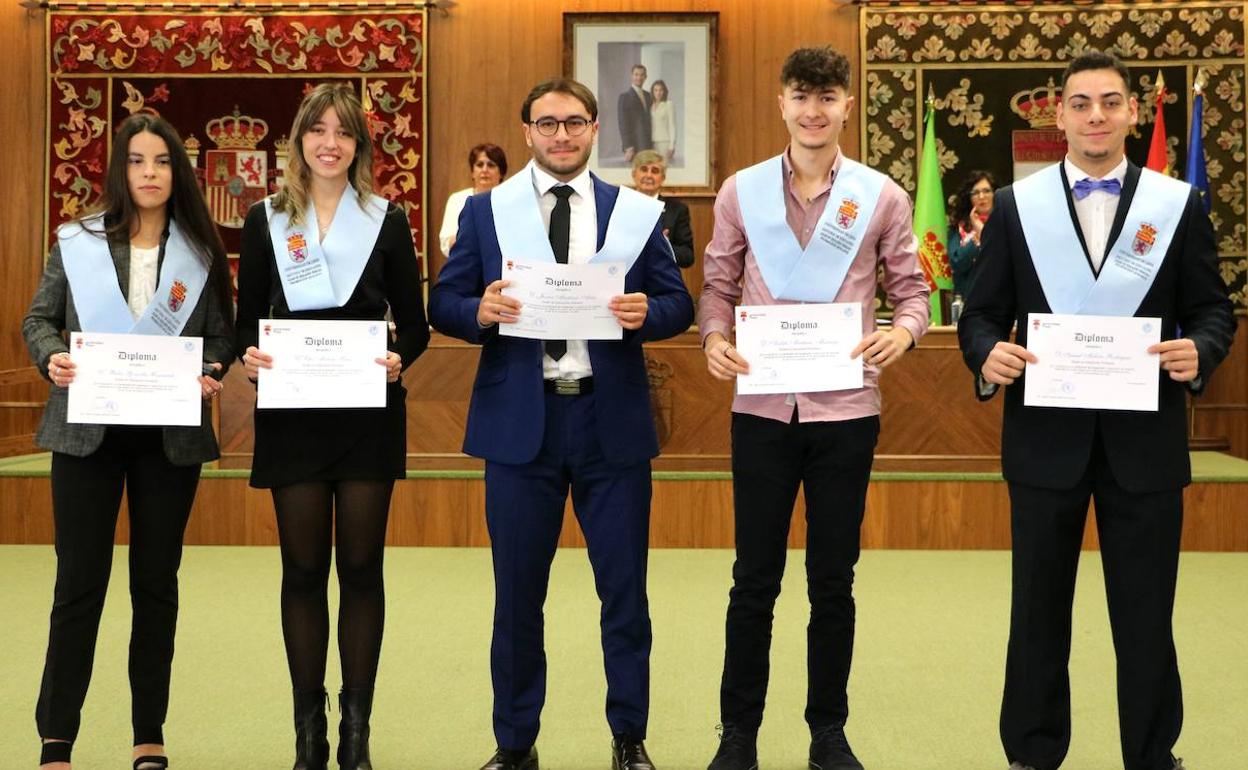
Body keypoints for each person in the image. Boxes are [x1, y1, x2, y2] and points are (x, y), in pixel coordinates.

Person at [957, 50, 1235, 770]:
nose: (1096, 116)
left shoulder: (1178, 205)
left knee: (1145, 615)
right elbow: (980, 314)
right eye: (1081, 103)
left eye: (1111, 102)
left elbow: (1211, 309)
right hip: (1045, 441)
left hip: (1145, 443)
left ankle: (1151, 754)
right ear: (1060, 116)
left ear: (1133, 114)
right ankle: (1032, 753)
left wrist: (1199, 351)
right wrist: (987, 354)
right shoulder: (1019, 207)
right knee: (1038, 613)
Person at [429, 76, 694, 770]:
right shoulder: (490, 212)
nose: (561, 135)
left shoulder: (633, 212)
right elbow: (444, 301)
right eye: (546, 124)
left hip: (611, 426)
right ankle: (514, 745)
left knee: (624, 597)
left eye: (574, 122)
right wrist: (478, 312)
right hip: (522, 426)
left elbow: (678, 304)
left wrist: (647, 314)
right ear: (527, 132)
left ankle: (629, 738)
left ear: (595, 128)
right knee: (518, 597)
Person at [698, 46, 930, 770]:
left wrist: (904, 331)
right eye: (801, 95)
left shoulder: (880, 195)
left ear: (847, 106)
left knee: (834, 580)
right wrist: (712, 337)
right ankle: (738, 736)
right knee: (753, 581)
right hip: (763, 410)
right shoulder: (741, 191)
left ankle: (827, 732)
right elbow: (717, 285)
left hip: (846, 413)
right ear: (781, 103)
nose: (814, 110)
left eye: (828, 96)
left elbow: (912, 290)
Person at [23, 113, 234, 770]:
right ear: (120, 169)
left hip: (167, 439)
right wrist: (53, 356)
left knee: (155, 585)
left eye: (162, 161)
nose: (149, 172)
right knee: (78, 586)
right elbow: (39, 320)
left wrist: (212, 371)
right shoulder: (80, 242)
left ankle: (149, 734)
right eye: (137, 160)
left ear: (179, 170)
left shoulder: (199, 252)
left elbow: (222, 337)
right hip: (86, 432)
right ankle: (57, 738)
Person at [236, 83, 429, 770]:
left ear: (359, 146)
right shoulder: (266, 219)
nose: (330, 142)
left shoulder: (385, 219)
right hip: (292, 413)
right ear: (299, 141)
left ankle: (355, 732)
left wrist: (398, 358)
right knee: (303, 569)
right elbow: (242, 326)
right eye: (318, 130)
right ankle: (308, 735)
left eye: (343, 132)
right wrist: (250, 357)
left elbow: (418, 325)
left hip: (365, 414)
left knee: (360, 567)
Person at [440, 143, 509, 258]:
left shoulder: (509, 200)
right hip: (464, 263)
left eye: (491, 165)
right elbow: (446, 243)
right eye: (479, 165)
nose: (485, 170)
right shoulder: (457, 199)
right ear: (472, 172)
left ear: (501, 173)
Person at [631, 149, 694, 268]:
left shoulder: (677, 210)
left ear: (663, 178)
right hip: (626, 280)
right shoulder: (618, 205)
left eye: (655, 171)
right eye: (644, 169)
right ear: (634, 174)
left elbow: (688, 257)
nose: (649, 175)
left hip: (661, 281)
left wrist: (663, 246)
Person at [947, 170, 995, 298]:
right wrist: (976, 241)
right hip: (968, 299)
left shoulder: (1005, 222)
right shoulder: (959, 227)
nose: (981, 197)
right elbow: (956, 263)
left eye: (986, 191)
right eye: (976, 193)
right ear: (969, 198)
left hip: (1000, 298)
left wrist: (983, 232)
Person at [618, 64, 653, 163]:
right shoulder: (624, 97)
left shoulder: (649, 96)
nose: (639, 77)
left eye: (642, 75)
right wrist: (628, 146)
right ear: (631, 76)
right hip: (634, 145)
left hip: (649, 144)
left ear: (645, 77)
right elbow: (623, 123)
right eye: (636, 74)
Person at [649, 80, 676, 162]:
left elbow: (672, 126)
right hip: (651, 142)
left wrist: (671, 146)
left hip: (664, 143)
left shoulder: (668, 104)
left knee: (663, 167)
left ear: (664, 91)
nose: (658, 93)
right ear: (652, 91)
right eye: (656, 90)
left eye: (661, 90)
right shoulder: (650, 105)